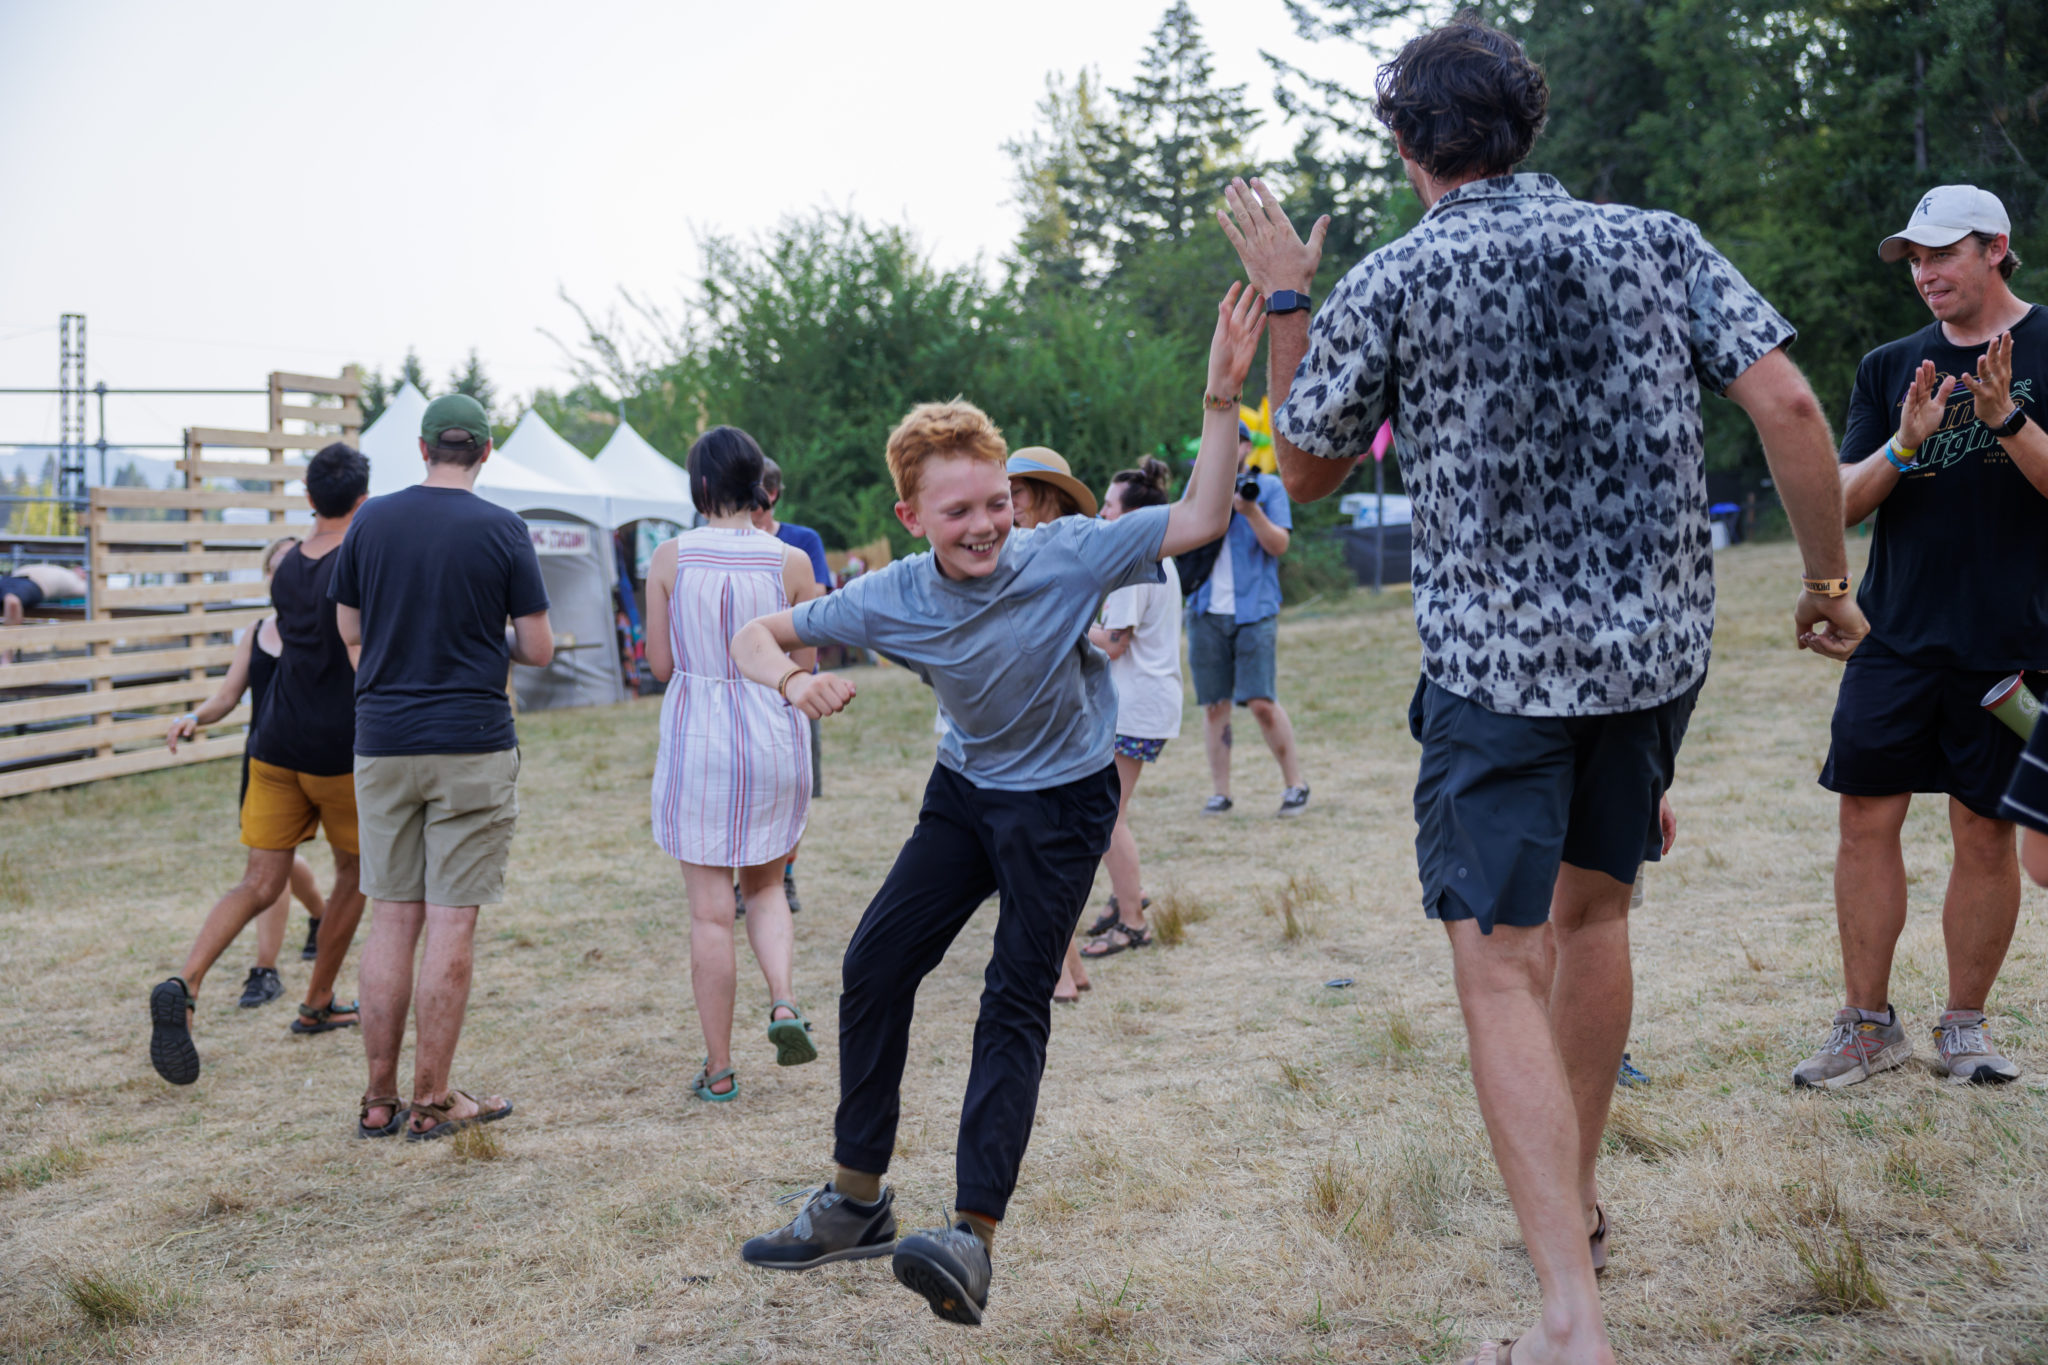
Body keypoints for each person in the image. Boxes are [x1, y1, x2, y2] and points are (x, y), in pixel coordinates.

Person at [1218, 17, 1865, 1364]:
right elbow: (1793, 410)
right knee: (1598, 911)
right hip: (1651, 661)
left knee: (1501, 966)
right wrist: (1823, 582)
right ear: (1529, 127)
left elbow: (1312, 472)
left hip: (1499, 671)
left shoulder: (1396, 276)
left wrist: (1286, 302)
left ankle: (1570, 1317)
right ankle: (1575, 1208)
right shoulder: (1660, 243)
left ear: (1408, 146)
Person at [727, 284, 1261, 1327]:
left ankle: (970, 1237)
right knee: (875, 963)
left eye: (994, 504)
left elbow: (1201, 516)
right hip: (966, 795)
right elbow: (755, 635)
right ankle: (854, 1201)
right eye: (958, 511)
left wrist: (1218, 396)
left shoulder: (1067, 553)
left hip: (1063, 803)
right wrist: (792, 682)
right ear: (911, 518)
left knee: (1013, 997)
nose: (983, 526)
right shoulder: (889, 595)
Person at [1796, 184, 2045, 1091]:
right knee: (1864, 817)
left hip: (2014, 644)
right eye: (1915, 258)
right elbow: (1840, 501)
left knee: (1985, 830)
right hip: (1893, 635)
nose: (1925, 273)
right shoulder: (1890, 366)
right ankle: (1866, 1025)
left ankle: (1964, 1026)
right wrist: (1903, 444)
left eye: (1943, 253)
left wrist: (2006, 420)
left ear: (1996, 247)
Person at [331, 393, 553, 1141]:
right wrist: (487, 637)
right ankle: (433, 1099)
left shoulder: (371, 521)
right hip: (471, 742)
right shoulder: (504, 528)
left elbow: (350, 628)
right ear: (486, 451)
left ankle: (378, 1099)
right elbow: (538, 647)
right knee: (452, 921)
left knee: (392, 917)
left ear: (423, 449)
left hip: (383, 740)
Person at [147, 444, 372, 1086]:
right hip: (337, 749)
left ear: (308, 496)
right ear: (363, 499)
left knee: (257, 884)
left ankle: (186, 983)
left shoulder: (288, 568)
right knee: (356, 873)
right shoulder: (359, 561)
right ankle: (318, 1002)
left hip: (273, 747)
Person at [649, 427, 826, 1102]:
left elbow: (660, 665)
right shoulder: (792, 561)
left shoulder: (670, 558)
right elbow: (805, 664)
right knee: (767, 888)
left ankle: (719, 1067)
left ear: (699, 485)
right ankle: (783, 999)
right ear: (759, 484)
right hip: (773, 735)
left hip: (699, 740)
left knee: (709, 914)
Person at [163, 535, 328, 1009]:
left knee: (271, 868)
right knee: (274, 862)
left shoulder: (327, 628)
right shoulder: (256, 631)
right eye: (277, 567)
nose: (286, 573)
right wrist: (194, 717)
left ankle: (268, 965)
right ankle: (313, 923)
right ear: (269, 578)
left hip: (321, 760)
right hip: (266, 760)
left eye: (293, 564)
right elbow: (227, 696)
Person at [1003, 447, 1100, 1006]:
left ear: (1046, 494)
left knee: (1032, 850)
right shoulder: (1022, 548)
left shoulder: (1064, 551)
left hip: (1046, 716)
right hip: (1028, 711)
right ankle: (1071, 964)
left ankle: (1058, 973)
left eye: (1015, 492)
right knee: (1032, 847)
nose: (1007, 503)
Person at [1079, 458, 1184, 962]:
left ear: (1133, 516)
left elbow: (1115, 644)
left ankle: (1133, 924)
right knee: (1109, 813)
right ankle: (1127, 895)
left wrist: (1068, 622)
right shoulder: (1158, 556)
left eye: (1108, 506)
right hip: (1146, 702)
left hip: (1135, 706)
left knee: (1106, 818)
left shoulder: (1132, 565)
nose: (1101, 514)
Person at [1187, 421, 1307, 818]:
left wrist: (1250, 511)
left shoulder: (1267, 488)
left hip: (1255, 609)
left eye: (1235, 442)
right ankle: (1220, 794)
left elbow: (1279, 545)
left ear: (1246, 448)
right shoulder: (1199, 489)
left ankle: (1295, 785)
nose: (1226, 447)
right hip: (1205, 610)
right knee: (1213, 706)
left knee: (1261, 702)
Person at [740, 453, 829, 912]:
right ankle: (746, 877)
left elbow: (817, 606)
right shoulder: (728, 547)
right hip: (743, 688)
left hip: (793, 685)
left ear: (771, 494)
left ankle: (784, 874)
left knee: (793, 793)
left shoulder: (801, 542)